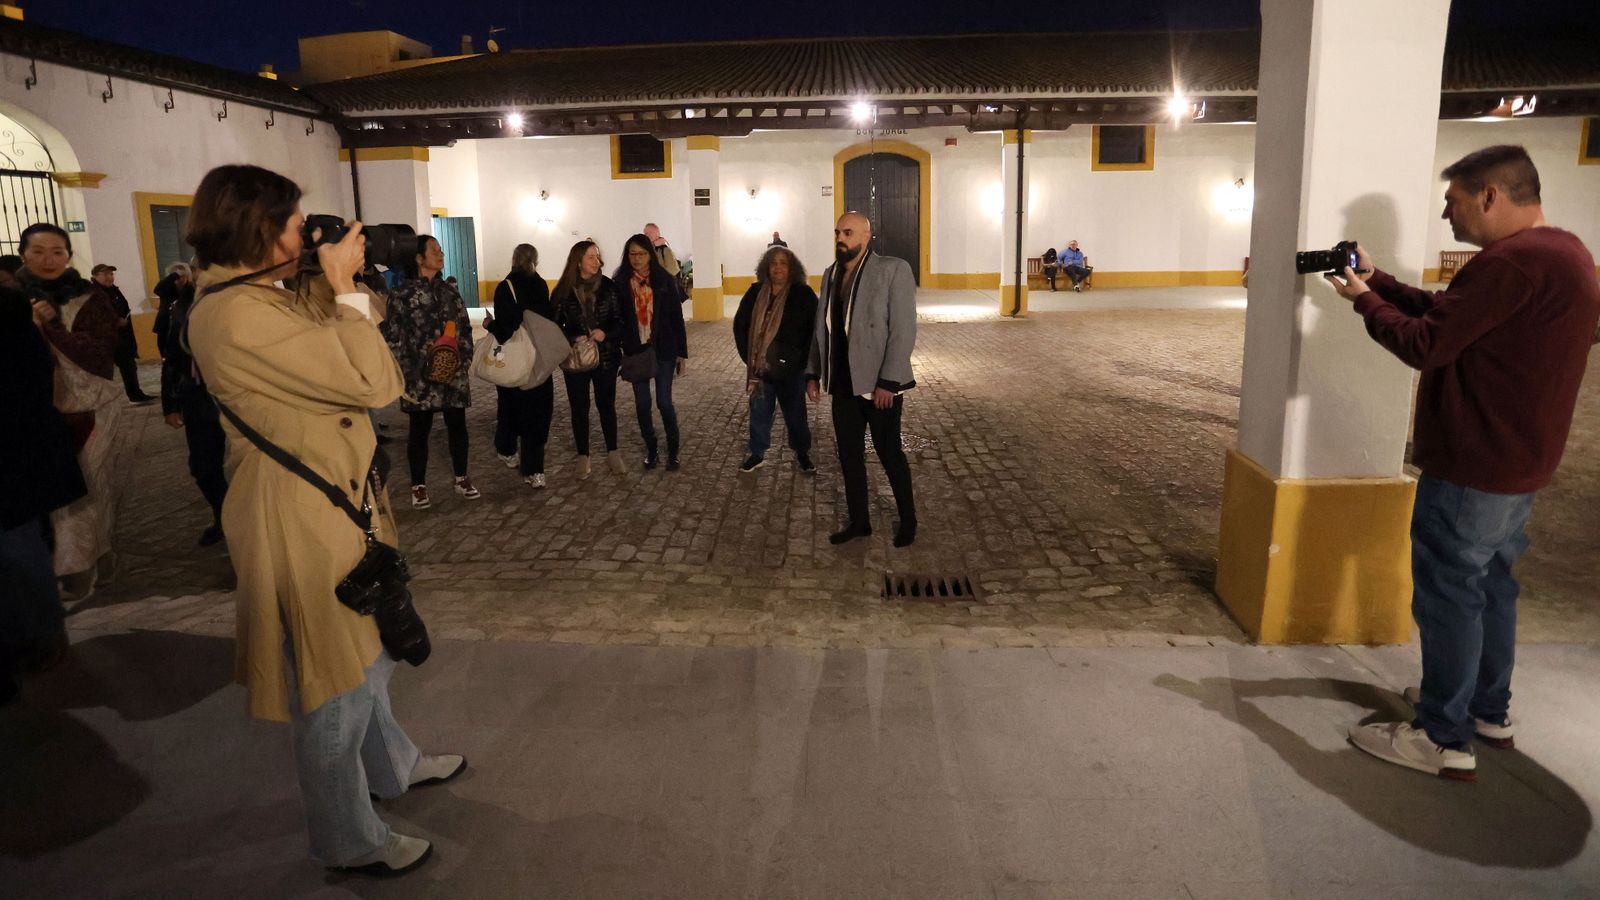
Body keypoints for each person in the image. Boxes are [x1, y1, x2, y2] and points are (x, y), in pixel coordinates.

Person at [184, 164, 463, 877]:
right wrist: (339, 288)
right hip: (298, 516)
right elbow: (375, 382)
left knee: (366, 658)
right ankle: (348, 839)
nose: (299, 232)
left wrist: (336, 276)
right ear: (254, 227)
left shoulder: (264, 293)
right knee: (333, 687)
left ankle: (393, 768)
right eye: (290, 221)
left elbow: (347, 327)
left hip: (335, 502)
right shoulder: (234, 314)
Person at [1329, 146, 1600, 781]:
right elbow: (1459, 318)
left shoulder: (1509, 265)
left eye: (1452, 201)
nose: (1445, 214)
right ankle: (1485, 710)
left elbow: (1427, 343)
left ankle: (1440, 737)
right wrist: (1383, 282)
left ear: (1489, 196)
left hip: (1475, 461)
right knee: (1491, 585)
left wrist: (1365, 303)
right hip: (1520, 461)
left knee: (1450, 592)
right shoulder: (1563, 253)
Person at [17, 223, 123, 601]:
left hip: (93, 405)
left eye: (57, 251)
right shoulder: (10, 299)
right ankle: (90, 561)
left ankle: (78, 570)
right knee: (59, 496)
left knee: (91, 490)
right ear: (23, 254)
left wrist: (51, 327)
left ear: (69, 256)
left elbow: (99, 357)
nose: (48, 259)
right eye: (39, 251)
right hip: (36, 411)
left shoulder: (89, 299)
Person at [806, 212, 918, 547]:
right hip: (842, 383)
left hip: (878, 384)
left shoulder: (892, 270)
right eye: (838, 231)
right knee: (849, 455)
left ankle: (909, 520)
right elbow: (820, 329)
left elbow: (903, 329)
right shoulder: (830, 275)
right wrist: (813, 372)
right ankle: (859, 521)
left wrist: (889, 381)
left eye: (849, 232)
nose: (841, 238)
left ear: (868, 236)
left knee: (889, 453)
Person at [0, 284, 86, 706]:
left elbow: (27, 382)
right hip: (21, 456)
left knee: (19, 546)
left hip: (13, 456)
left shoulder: (10, 314)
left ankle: (40, 634)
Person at [381, 235, 480, 509]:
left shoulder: (449, 292)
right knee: (419, 429)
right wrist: (405, 370)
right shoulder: (403, 295)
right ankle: (418, 485)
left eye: (441, 250)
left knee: (457, 425)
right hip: (419, 376)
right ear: (419, 258)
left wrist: (464, 358)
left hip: (452, 373)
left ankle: (462, 477)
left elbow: (465, 327)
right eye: (434, 250)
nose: (441, 254)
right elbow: (393, 335)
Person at [158, 263, 228, 547]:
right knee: (204, 467)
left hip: (242, 399)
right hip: (199, 398)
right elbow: (171, 357)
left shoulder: (243, 301)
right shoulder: (183, 305)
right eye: (199, 269)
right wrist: (170, 405)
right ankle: (223, 516)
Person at [733, 245, 817, 474]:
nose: (778, 268)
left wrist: (805, 366)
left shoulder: (804, 295)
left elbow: (813, 332)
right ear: (766, 267)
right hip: (761, 370)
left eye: (783, 263)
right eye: (773, 263)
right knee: (759, 413)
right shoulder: (755, 293)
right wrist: (748, 358)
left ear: (792, 268)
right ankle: (757, 453)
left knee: (796, 416)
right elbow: (740, 325)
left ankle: (802, 453)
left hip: (791, 371)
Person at [553, 241, 627, 478]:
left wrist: (605, 332)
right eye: (591, 257)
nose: (597, 261)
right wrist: (570, 337)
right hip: (575, 359)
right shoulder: (563, 291)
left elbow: (620, 320)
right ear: (578, 261)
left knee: (606, 404)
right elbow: (553, 326)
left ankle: (613, 451)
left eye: (597, 257)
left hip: (605, 356)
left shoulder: (608, 287)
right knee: (579, 406)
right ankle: (583, 455)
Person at [617, 233, 689, 471]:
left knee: (664, 402)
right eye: (632, 254)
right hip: (636, 350)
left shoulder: (665, 280)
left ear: (650, 254)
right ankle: (651, 448)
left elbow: (677, 318)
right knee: (642, 403)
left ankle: (673, 449)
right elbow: (617, 319)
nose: (637, 259)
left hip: (664, 348)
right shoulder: (620, 282)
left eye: (641, 253)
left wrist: (682, 352)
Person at [487, 243, 557, 488]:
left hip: (514, 360)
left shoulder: (505, 287)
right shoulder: (540, 285)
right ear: (535, 261)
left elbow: (506, 329)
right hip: (538, 359)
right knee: (538, 414)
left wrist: (489, 325)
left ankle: (506, 448)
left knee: (509, 407)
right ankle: (535, 470)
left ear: (513, 259)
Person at [90, 263, 156, 404]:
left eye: (111, 274)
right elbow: (95, 315)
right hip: (105, 339)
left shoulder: (113, 291)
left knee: (129, 366)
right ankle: (99, 400)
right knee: (103, 371)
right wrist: (115, 321)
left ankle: (135, 394)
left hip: (122, 338)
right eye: (105, 274)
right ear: (95, 276)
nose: (109, 277)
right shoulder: (93, 293)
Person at [152, 262, 193, 360]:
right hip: (165, 327)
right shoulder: (166, 288)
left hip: (183, 328)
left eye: (182, 276)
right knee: (166, 356)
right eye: (176, 276)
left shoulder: (190, 289)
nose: (179, 279)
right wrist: (174, 275)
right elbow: (157, 290)